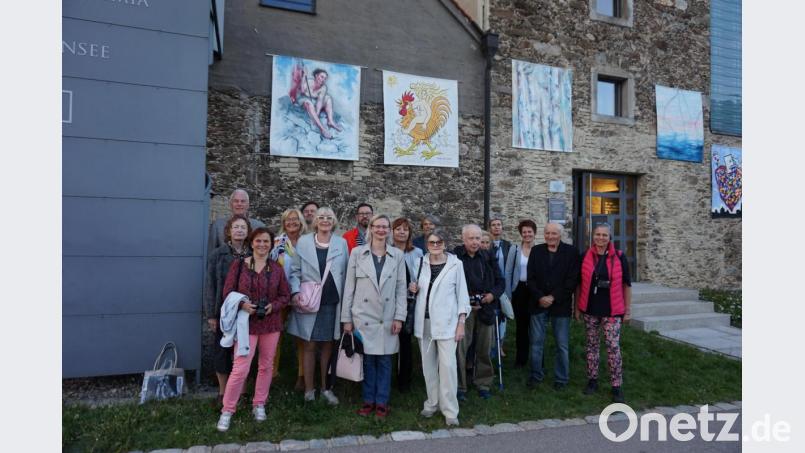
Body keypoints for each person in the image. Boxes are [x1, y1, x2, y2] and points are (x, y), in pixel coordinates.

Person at [216, 227, 290, 432]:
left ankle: (259, 404)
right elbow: (227, 292)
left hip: (270, 324)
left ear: (271, 244)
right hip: (245, 324)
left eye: (266, 241)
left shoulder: (276, 269)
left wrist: (272, 307)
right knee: (240, 368)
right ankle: (228, 409)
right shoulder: (239, 266)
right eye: (258, 241)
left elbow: (285, 295)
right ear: (252, 242)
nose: (262, 245)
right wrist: (242, 305)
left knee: (266, 366)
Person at [341, 214, 407, 418]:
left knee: (385, 361)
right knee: (368, 360)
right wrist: (346, 319)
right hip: (363, 316)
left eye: (384, 227)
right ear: (370, 228)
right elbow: (349, 287)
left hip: (387, 317)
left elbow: (401, 289)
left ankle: (382, 402)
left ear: (388, 231)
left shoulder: (397, 255)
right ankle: (368, 400)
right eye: (377, 226)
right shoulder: (357, 254)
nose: (381, 230)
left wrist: (399, 317)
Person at [287, 207, 349, 405]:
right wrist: (295, 292)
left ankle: (326, 388)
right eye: (321, 217)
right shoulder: (304, 242)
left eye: (329, 217)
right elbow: (295, 270)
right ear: (314, 221)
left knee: (328, 346)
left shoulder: (341, 243)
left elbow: (346, 274)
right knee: (309, 345)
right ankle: (309, 390)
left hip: (331, 302)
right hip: (309, 302)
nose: (325, 220)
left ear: (334, 221)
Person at [409, 229, 470, 427]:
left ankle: (450, 410)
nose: (435, 245)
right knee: (428, 367)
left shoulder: (456, 265)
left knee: (448, 367)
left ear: (445, 244)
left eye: (439, 242)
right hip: (424, 322)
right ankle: (432, 403)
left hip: (448, 324)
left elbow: (462, 295)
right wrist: (413, 288)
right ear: (426, 244)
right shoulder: (420, 263)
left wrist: (461, 323)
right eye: (431, 242)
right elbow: (416, 290)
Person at [576, 223, 632, 403]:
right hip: (590, 309)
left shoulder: (620, 257)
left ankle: (616, 386)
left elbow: (627, 285)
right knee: (592, 346)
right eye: (598, 235)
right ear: (593, 236)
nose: (601, 238)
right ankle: (592, 381)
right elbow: (579, 284)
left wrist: (627, 311)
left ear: (610, 238)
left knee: (613, 347)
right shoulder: (585, 256)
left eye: (604, 235)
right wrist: (576, 307)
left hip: (612, 311)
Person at [204, 215, 252, 407]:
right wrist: (211, 315)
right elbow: (210, 286)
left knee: (244, 353)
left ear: (248, 231)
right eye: (236, 227)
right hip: (224, 312)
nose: (239, 230)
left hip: (247, 311)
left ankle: (243, 392)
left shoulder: (253, 253)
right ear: (229, 231)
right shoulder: (218, 255)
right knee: (222, 352)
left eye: (243, 227)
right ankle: (223, 392)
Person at [526, 223, 580, 390]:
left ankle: (561, 379)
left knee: (561, 344)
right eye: (547, 233)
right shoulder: (536, 251)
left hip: (561, 305)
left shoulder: (571, 252)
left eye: (554, 233)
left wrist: (553, 297)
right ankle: (536, 375)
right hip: (538, 303)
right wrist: (541, 296)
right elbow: (531, 278)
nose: (550, 236)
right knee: (536, 342)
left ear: (560, 235)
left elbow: (571, 280)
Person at [454, 224, 505, 400]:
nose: (475, 242)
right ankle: (460, 386)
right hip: (463, 311)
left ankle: (483, 384)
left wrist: (492, 295)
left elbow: (500, 282)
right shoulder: (455, 257)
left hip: (486, 308)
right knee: (460, 350)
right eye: (471, 238)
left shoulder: (488, 256)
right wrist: (466, 302)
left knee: (484, 348)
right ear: (463, 239)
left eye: (477, 238)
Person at [270, 209, 307, 390]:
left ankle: (301, 375)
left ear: (301, 222)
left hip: (302, 293)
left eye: (295, 219)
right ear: (283, 223)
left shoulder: (308, 242)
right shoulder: (277, 242)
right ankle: (272, 373)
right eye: (288, 220)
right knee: (275, 334)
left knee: (302, 335)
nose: (292, 222)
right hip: (281, 294)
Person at [390, 217, 424, 393]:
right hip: (390, 302)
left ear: (409, 233)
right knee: (388, 340)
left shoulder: (417, 253)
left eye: (405, 229)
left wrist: (417, 285)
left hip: (410, 302)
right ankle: (387, 376)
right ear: (392, 232)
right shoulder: (386, 251)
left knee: (405, 341)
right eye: (398, 229)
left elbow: (422, 275)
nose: (402, 232)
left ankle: (404, 380)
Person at [504, 219, 537, 368]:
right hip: (519, 290)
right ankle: (521, 359)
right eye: (524, 232)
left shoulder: (539, 249)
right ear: (521, 234)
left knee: (536, 327)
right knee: (521, 327)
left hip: (535, 291)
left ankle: (537, 359)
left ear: (534, 233)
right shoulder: (515, 249)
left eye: (529, 231)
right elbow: (508, 271)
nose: (527, 234)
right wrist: (508, 294)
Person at [289, 66, 343, 139]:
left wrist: (316, 113)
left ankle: (330, 121)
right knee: (308, 102)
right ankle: (322, 129)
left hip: (313, 101)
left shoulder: (323, 87)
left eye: (325, 78)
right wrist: (304, 76)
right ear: (316, 76)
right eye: (322, 77)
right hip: (302, 99)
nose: (323, 80)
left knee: (328, 98)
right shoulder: (309, 81)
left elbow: (320, 101)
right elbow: (302, 91)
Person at [208, 189, 265, 253]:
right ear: (230, 204)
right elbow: (210, 254)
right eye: (236, 201)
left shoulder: (259, 227)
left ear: (248, 205)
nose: (239, 204)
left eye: (243, 201)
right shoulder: (217, 226)